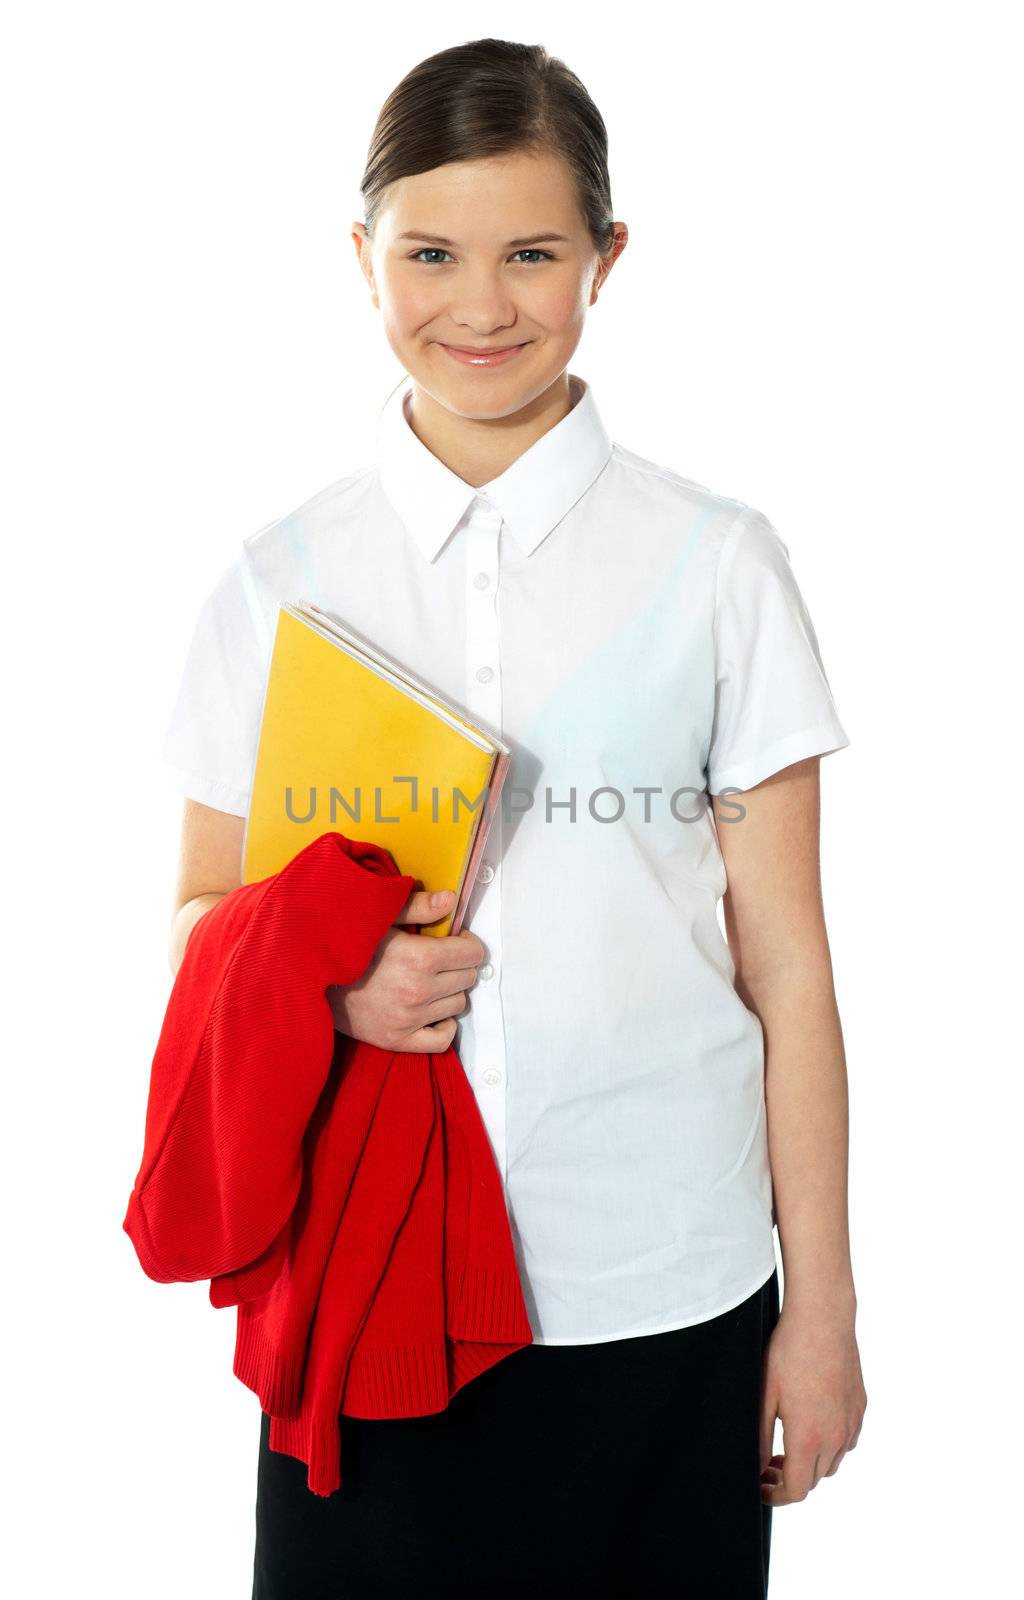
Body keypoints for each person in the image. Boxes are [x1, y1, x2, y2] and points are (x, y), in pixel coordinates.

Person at [160, 36, 867, 1600]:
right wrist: (334, 988)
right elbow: (203, 919)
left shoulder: (716, 564)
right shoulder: (280, 580)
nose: (479, 305)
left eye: (533, 252)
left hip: (668, 1287)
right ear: (363, 258)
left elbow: (791, 972)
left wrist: (819, 1312)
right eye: (430, 253)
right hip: (367, 1287)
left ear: (608, 260)